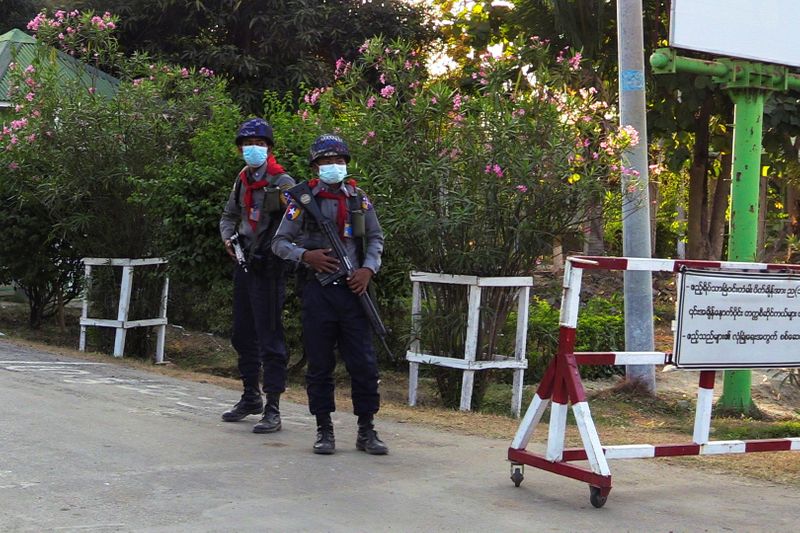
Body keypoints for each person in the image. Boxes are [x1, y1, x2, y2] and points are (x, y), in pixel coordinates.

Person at [271, 134, 388, 455]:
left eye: (339, 161)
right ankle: (324, 429)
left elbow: (375, 237)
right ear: (315, 165)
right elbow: (279, 243)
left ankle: (367, 430)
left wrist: (368, 269)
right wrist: (305, 256)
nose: (333, 167)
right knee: (320, 364)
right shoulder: (302, 201)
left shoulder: (358, 199)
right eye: (326, 161)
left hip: (354, 291)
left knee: (363, 363)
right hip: (318, 291)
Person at [219, 118, 295, 433]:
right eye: (249, 144)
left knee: (270, 337)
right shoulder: (242, 179)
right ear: (240, 149)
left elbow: (297, 222)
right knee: (241, 333)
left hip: (269, 267)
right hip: (244, 262)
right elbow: (229, 214)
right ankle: (250, 395)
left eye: (261, 144)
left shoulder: (282, 182)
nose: (254, 149)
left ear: (269, 148)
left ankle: (273, 407)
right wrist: (228, 238)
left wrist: (280, 248)